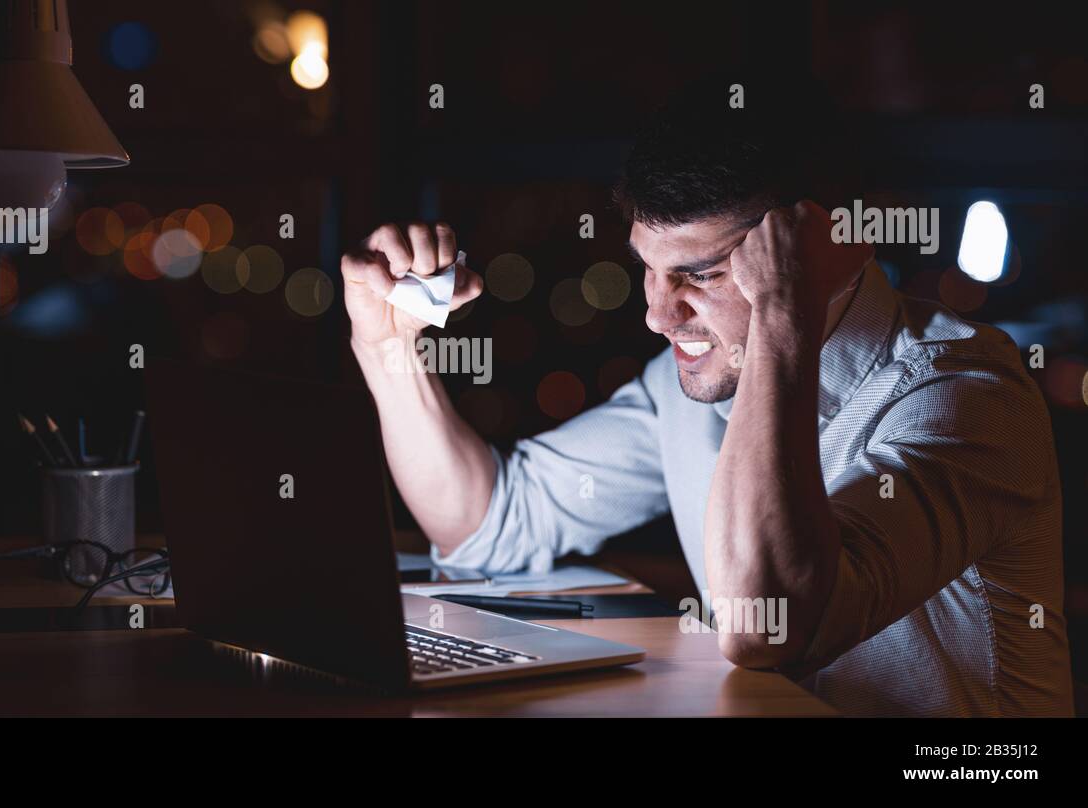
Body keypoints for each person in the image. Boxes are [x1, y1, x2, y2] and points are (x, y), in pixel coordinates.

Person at [338, 74, 1072, 716]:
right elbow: (489, 524)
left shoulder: (968, 398)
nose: (659, 316)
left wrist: (785, 312)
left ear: (827, 249)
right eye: (650, 271)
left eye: (704, 274)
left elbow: (769, 625)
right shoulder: (687, 387)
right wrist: (386, 345)